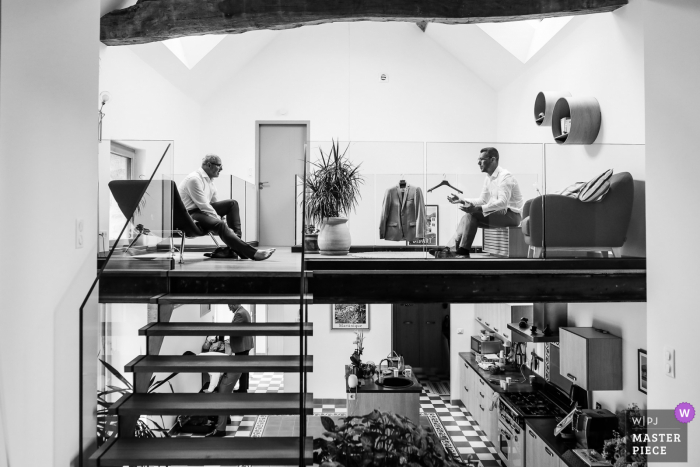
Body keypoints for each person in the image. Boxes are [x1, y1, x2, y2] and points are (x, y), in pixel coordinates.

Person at [178, 154, 275, 261]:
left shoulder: (210, 182)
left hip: (202, 211)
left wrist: (221, 218)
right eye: (219, 165)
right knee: (220, 224)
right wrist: (220, 220)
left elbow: (214, 203)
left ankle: (233, 249)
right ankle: (253, 253)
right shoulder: (194, 179)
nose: (222, 169)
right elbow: (204, 206)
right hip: (191, 214)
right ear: (209, 165)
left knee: (232, 203)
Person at [441, 147, 524, 258]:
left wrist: (477, 209)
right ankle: (456, 249)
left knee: (472, 214)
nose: (478, 162)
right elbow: (483, 200)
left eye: (482, 159)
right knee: (468, 216)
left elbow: (502, 203)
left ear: (493, 160)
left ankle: (457, 249)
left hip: (512, 216)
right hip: (499, 214)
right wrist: (461, 200)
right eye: (478, 159)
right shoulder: (488, 178)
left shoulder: (505, 177)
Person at [228, 303, 254, 393]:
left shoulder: (240, 314)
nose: (229, 309)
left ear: (234, 304)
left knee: (241, 369)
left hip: (241, 346)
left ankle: (242, 390)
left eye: (230, 306)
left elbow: (235, 331)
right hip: (245, 344)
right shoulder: (244, 311)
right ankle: (244, 388)